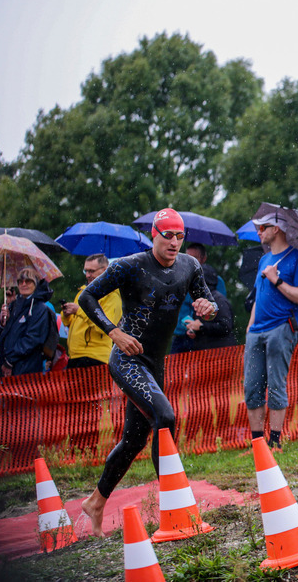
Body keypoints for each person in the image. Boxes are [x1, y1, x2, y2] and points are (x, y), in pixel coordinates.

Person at [78, 208, 217, 537]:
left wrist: (206, 308)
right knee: (165, 418)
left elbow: (207, 304)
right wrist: (114, 332)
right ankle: (175, 508)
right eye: (167, 235)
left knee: (134, 439)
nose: (173, 242)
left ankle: (95, 502)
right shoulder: (130, 265)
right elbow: (87, 296)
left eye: (179, 236)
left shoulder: (190, 266)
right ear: (154, 235)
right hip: (127, 359)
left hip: (156, 363)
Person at [244, 210, 298, 453]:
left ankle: (275, 443)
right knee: (252, 387)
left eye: (263, 227)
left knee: (275, 385)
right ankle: (257, 445)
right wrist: (249, 328)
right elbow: (257, 298)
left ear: (277, 229)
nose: (259, 231)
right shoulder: (264, 260)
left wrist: (277, 280)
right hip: (257, 330)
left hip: (282, 327)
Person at [61, 254, 121, 369]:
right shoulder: (83, 292)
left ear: (104, 270)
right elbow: (72, 323)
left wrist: (78, 310)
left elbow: (105, 328)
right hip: (75, 356)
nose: (88, 275)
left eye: (91, 271)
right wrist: (67, 315)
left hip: (95, 358)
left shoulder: (112, 296)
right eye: (85, 271)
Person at [0, 268, 55, 376]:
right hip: (9, 369)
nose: (23, 284)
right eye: (20, 281)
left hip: (27, 368)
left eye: (28, 281)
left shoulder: (40, 308)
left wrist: (10, 361)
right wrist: (3, 324)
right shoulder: (14, 305)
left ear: (36, 284)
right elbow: (6, 336)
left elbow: (33, 339)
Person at [170, 243, 225, 354]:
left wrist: (199, 324)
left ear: (203, 259)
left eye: (193, 258)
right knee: (173, 370)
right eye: (187, 256)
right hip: (180, 335)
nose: (189, 261)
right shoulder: (177, 279)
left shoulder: (215, 281)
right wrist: (186, 324)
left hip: (203, 338)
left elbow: (219, 309)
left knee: (200, 371)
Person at [182, 265, 238, 350]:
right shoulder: (200, 299)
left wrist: (201, 326)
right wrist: (194, 330)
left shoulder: (219, 300)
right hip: (205, 353)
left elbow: (226, 326)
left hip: (222, 354)